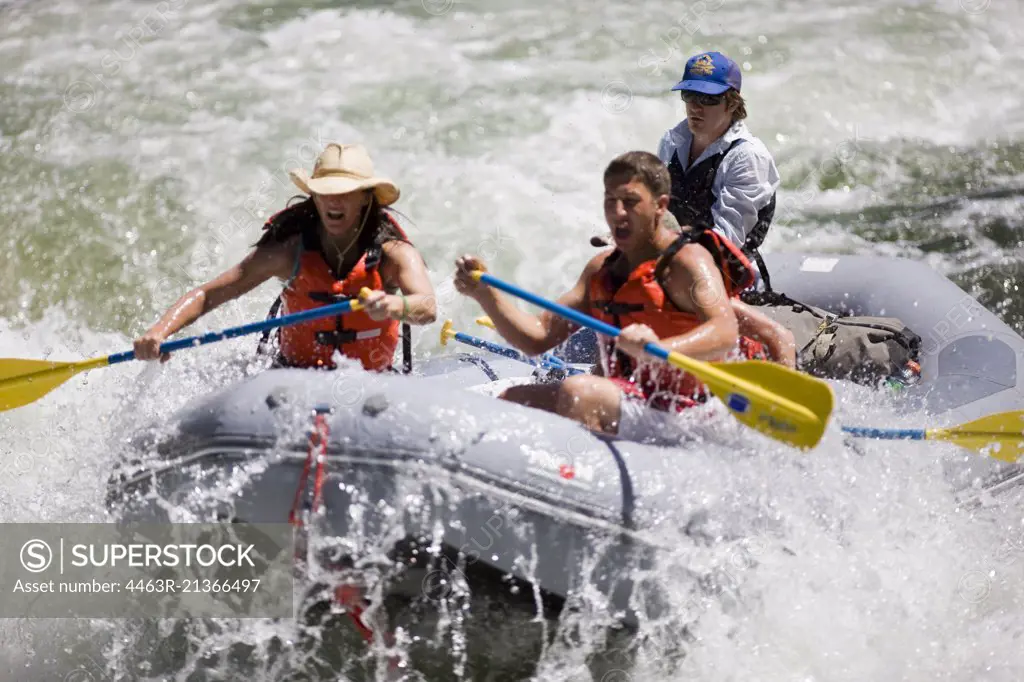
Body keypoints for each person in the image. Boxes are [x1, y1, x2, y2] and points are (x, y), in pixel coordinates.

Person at [453, 151, 771, 442]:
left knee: (581, 392)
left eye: (630, 201)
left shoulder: (688, 263)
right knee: (512, 399)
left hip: (689, 413)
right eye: (610, 200)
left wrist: (659, 348)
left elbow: (725, 332)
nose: (617, 212)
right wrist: (486, 295)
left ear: (660, 205)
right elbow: (537, 337)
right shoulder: (601, 269)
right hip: (630, 399)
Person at [134, 143, 437, 371]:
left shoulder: (394, 254)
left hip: (370, 381)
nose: (334, 200)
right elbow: (207, 295)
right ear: (314, 197)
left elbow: (427, 306)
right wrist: (161, 331)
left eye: (345, 191)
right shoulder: (287, 252)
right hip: (292, 376)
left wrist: (395, 305)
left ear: (365, 198)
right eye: (325, 191)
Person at [658, 51, 780, 291]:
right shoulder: (672, 142)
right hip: (672, 264)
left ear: (732, 103)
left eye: (708, 99)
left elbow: (725, 240)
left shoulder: (747, 156)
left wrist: (664, 244)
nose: (696, 107)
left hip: (725, 278)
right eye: (690, 95)